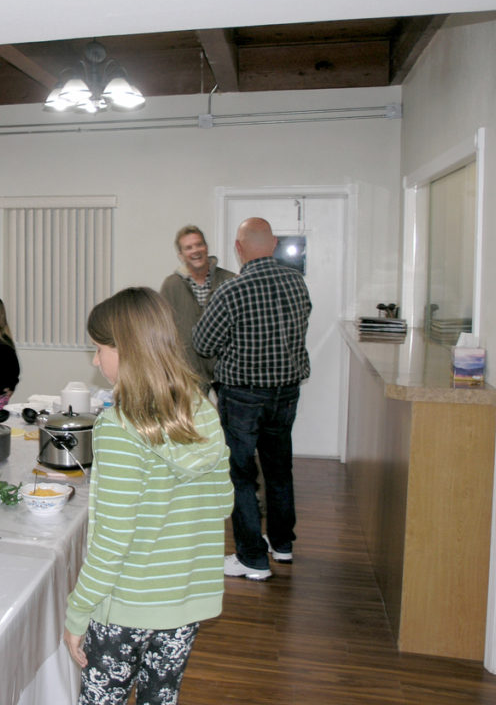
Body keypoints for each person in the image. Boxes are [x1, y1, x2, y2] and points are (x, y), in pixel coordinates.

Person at [63, 287, 233, 705]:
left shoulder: (119, 427)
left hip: (126, 604)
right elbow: (224, 503)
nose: (95, 360)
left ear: (128, 349)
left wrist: (77, 611)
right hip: (185, 602)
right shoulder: (204, 411)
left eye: (100, 348)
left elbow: (112, 537)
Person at [193, 217, 311, 581]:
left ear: (239, 249)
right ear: (273, 244)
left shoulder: (232, 290)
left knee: (242, 475)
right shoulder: (297, 283)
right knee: (279, 469)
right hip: (286, 391)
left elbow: (203, 343)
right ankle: (282, 544)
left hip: (243, 394)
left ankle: (252, 558)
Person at [159, 225, 236, 392]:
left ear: (206, 247)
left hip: (227, 371)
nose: (195, 251)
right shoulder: (171, 285)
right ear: (181, 255)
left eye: (199, 244)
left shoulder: (230, 281)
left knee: (231, 418)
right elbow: (162, 328)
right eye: (188, 247)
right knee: (192, 418)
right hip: (188, 372)